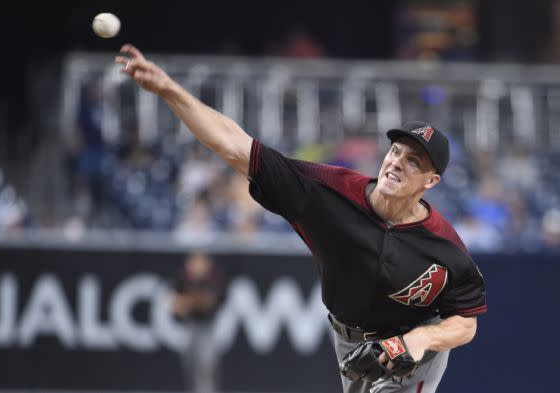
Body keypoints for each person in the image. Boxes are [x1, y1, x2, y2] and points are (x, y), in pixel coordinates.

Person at [116, 44, 487, 393]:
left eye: (413, 161)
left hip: (413, 347)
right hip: (349, 340)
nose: (396, 163)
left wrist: (420, 340)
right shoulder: (329, 192)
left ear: (431, 181)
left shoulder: (444, 246)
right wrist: (168, 91)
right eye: (395, 151)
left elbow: (465, 321)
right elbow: (233, 145)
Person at [170, 252, 227, 393]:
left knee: (206, 365)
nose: (197, 266)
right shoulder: (182, 278)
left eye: (200, 262)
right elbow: (175, 306)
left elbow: (208, 303)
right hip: (189, 326)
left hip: (208, 327)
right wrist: (190, 301)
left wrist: (188, 301)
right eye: (194, 262)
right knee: (189, 365)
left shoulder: (214, 278)